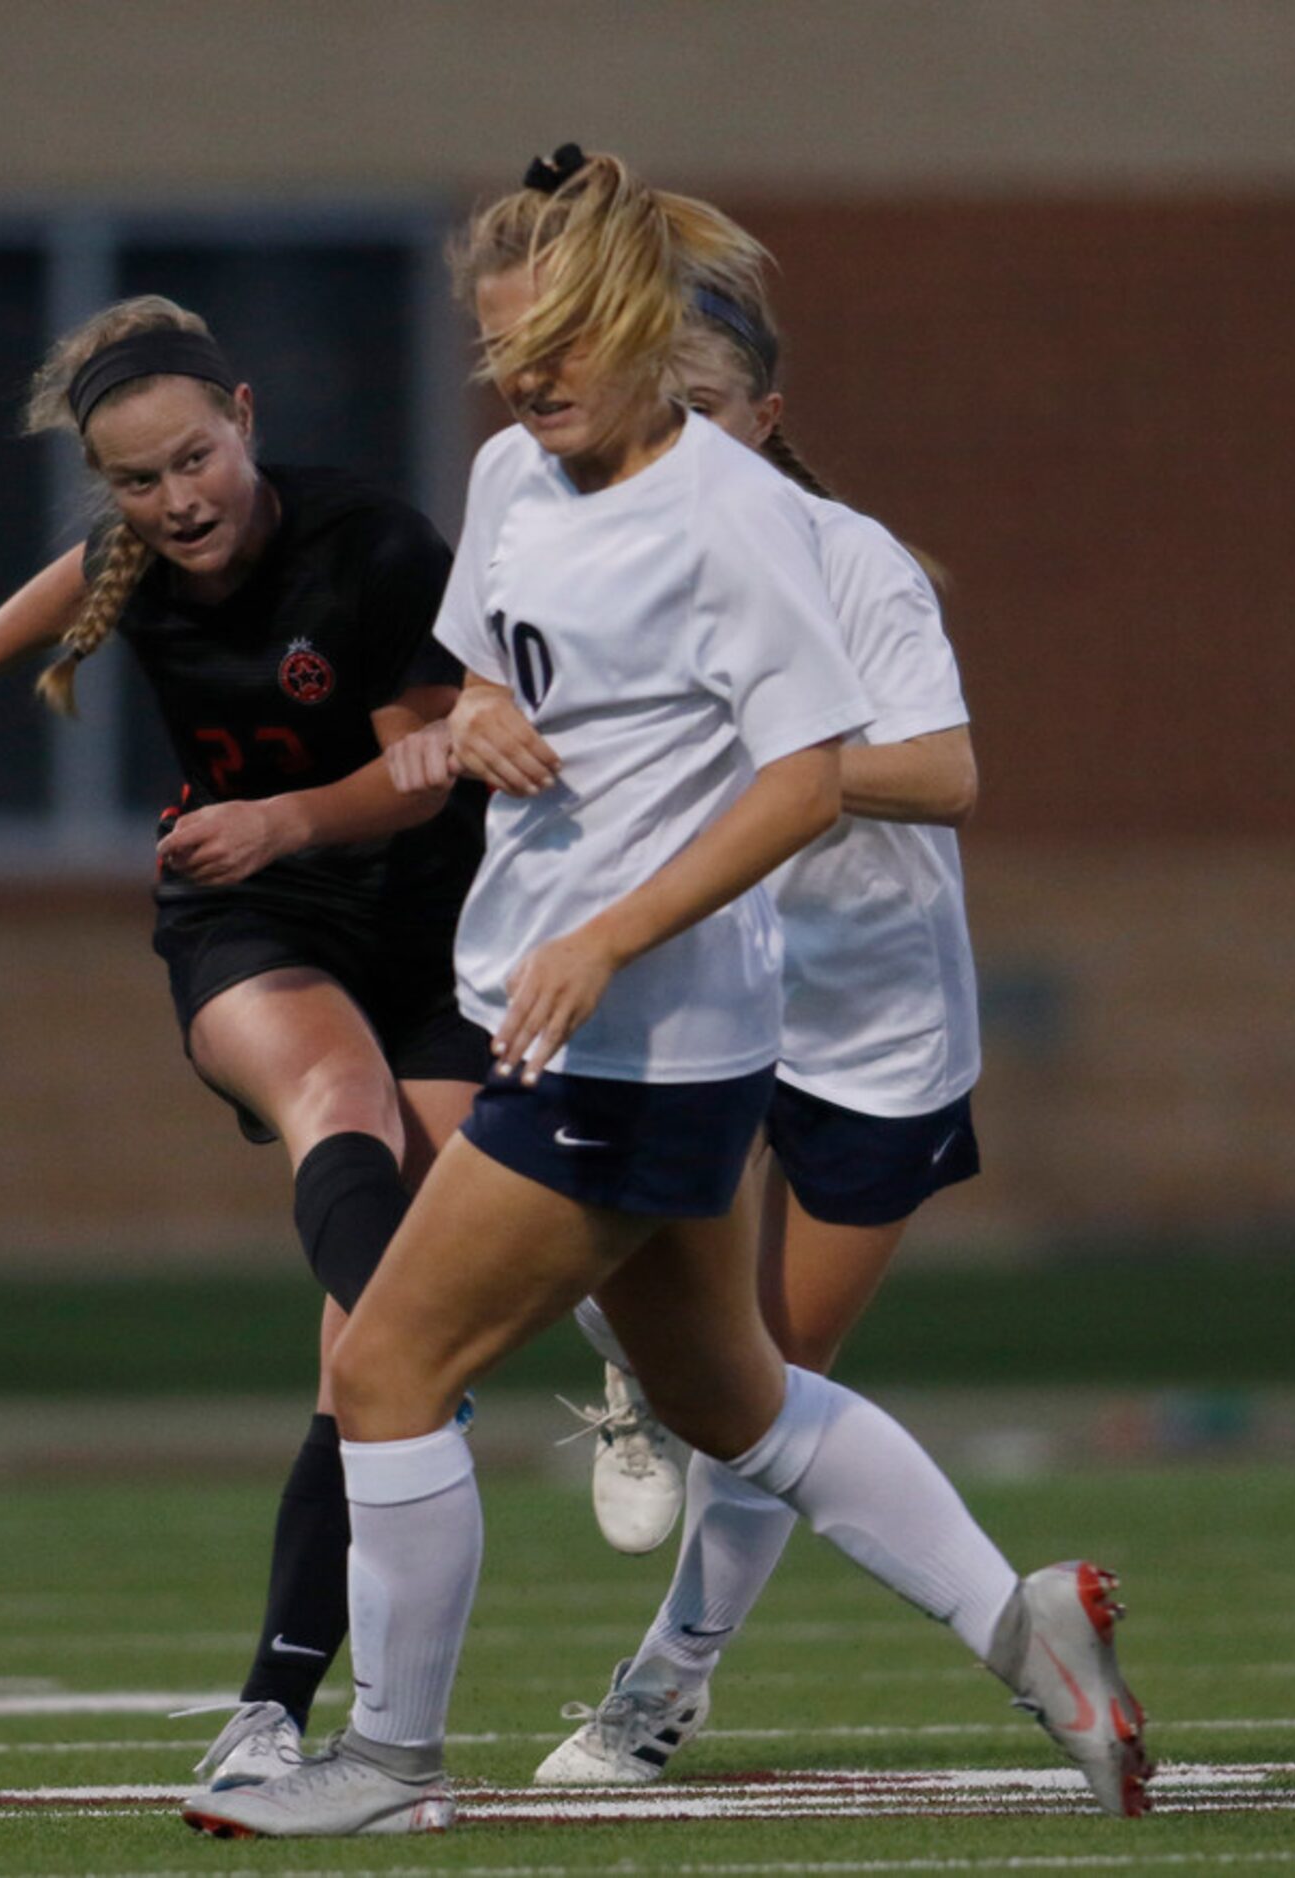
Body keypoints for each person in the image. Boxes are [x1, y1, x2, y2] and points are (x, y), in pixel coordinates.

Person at [179, 147, 1150, 1841]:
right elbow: (488, 674)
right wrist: (470, 720)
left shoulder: (740, 516)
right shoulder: (510, 472)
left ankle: (393, 1763)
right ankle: (1026, 1623)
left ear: (637, 322)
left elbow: (805, 780)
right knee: (736, 1399)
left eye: (555, 342)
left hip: (637, 1039)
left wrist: (613, 931)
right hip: (576, 1020)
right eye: (504, 350)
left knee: (389, 1369)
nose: (528, 378)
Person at [0, 295, 487, 1792]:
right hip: (251, 919)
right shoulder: (138, 555)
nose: (177, 500)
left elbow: (427, 773)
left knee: (354, 1364)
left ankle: (289, 1699)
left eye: (196, 459)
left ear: (245, 418)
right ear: (109, 488)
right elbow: (79, 580)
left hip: (440, 929)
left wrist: (285, 815)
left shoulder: (371, 541)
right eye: (137, 479)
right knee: (341, 1108)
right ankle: (436, 1354)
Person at [463, 253, 986, 1783]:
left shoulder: (847, 559)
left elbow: (946, 775)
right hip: (698, 982)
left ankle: (666, 1684)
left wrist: (768, 751)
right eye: (658, 398)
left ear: (767, 415)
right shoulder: (582, 528)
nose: (680, 430)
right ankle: (634, 1360)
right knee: (627, 1284)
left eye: (709, 404)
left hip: (870, 1006)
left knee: (775, 1388)